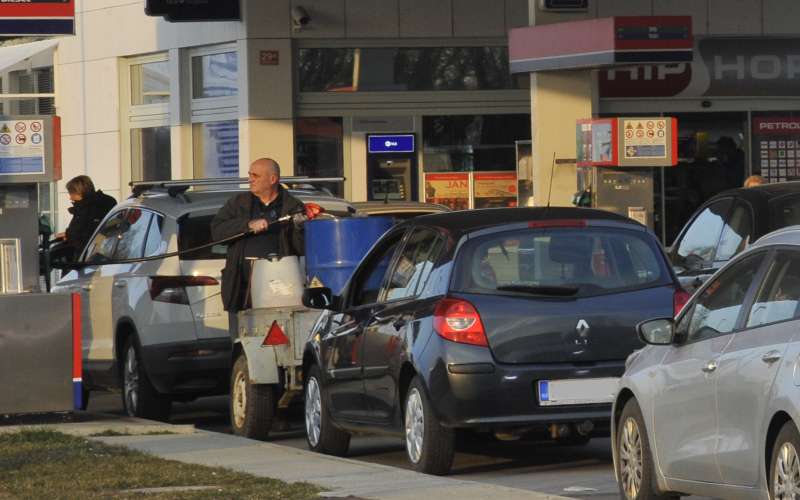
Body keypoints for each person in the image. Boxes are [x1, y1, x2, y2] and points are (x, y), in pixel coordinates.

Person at [211, 158, 319, 313]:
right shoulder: (237, 203)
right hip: (242, 288)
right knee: (242, 336)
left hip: (280, 287)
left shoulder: (293, 206)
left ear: (273, 179)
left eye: (255, 176)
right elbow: (217, 230)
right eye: (250, 175)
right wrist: (247, 225)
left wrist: (299, 227)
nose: (250, 180)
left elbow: (302, 248)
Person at [55, 175, 117, 256]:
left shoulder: (91, 207)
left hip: (90, 255)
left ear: (80, 191)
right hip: (94, 252)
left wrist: (68, 235)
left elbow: (87, 232)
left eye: (72, 193)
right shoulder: (102, 202)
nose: (70, 198)